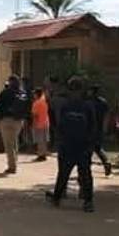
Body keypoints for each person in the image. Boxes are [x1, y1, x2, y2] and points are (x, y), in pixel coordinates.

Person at [45, 77, 98, 212]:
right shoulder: (79, 106)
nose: (75, 92)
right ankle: (60, 197)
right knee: (69, 173)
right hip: (72, 145)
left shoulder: (76, 106)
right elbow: (60, 126)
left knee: (78, 173)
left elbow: (91, 127)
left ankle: (87, 201)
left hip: (77, 145)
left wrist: (89, 145)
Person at [0, 76, 29, 174]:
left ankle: (12, 166)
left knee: (9, 144)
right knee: (14, 141)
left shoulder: (5, 92)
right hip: (19, 121)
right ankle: (14, 161)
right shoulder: (23, 93)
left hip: (7, 120)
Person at [87, 85, 112, 176]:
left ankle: (86, 168)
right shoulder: (103, 102)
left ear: (92, 92)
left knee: (88, 148)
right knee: (97, 148)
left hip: (90, 128)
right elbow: (107, 114)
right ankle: (106, 162)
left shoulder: (89, 102)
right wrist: (105, 126)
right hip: (99, 128)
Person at [31, 87, 51, 161]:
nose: (33, 95)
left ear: (37, 94)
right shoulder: (44, 101)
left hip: (39, 123)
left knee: (39, 140)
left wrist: (34, 123)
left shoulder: (36, 103)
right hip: (46, 122)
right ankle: (44, 153)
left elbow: (35, 114)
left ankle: (41, 155)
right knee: (44, 139)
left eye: (34, 94)